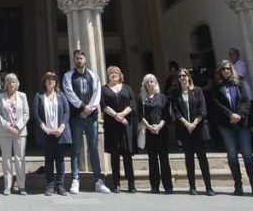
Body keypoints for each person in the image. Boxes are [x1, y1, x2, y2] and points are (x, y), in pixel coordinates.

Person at [211, 59, 253, 196]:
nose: (226, 71)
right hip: (226, 124)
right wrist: (230, 115)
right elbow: (215, 103)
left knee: (247, 153)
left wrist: (239, 115)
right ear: (219, 71)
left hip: (242, 122)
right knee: (232, 154)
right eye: (223, 69)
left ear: (231, 70)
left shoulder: (238, 83)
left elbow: (246, 100)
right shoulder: (216, 86)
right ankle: (238, 185)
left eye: (228, 68)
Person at [62, 49, 110, 194]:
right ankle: (75, 179)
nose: (79, 60)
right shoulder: (68, 76)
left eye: (81, 58)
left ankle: (98, 180)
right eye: (77, 58)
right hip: (76, 118)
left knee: (93, 148)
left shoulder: (93, 76)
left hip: (92, 118)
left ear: (85, 59)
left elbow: (97, 93)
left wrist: (89, 108)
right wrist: (82, 107)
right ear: (74, 60)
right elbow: (69, 94)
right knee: (76, 149)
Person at [170, 68, 214, 195]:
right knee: (189, 158)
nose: (182, 78)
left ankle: (208, 187)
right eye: (180, 76)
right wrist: (186, 123)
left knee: (202, 158)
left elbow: (202, 108)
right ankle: (192, 186)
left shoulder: (197, 91)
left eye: (184, 75)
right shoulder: (175, 93)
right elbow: (175, 110)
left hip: (198, 129)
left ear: (189, 77)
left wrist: (194, 123)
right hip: (185, 129)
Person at [33, 71, 71, 196]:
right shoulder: (39, 96)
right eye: (48, 79)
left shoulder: (61, 95)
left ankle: (60, 185)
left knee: (60, 160)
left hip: (60, 133)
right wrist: (43, 127)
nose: (51, 81)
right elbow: (36, 113)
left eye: (53, 80)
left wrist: (62, 127)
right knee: (49, 159)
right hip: (46, 133)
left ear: (56, 82)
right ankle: (49, 185)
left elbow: (66, 112)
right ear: (45, 82)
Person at [101, 65, 136, 193]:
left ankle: (131, 184)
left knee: (127, 155)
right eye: (111, 73)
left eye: (116, 73)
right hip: (112, 125)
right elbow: (103, 105)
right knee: (114, 156)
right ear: (108, 76)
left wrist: (122, 114)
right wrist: (116, 115)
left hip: (125, 125)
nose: (114, 75)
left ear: (120, 75)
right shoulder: (104, 89)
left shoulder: (127, 88)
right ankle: (116, 184)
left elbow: (132, 104)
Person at [0, 72, 30, 195]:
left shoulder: (23, 96)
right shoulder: (1, 97)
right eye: (9, 82)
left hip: (20, 132)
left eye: (13, 82)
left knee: (20, 159)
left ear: (17, 83)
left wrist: (17, 126)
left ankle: (21, 186)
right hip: (5, 132)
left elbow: (26, 114)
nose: (11, 84)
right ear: (6, 84)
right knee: (6, 159)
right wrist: (8, 126)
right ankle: (7, 186)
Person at [139, 73, 172, 194]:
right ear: (144, 85)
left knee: (164, 158)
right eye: (147, 82)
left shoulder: (162, 97)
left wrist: (159, 126)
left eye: (152, 81)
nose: (149, 84)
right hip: (149, 131)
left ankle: (168, 186)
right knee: (152, 159)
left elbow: (166, 114)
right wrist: (149, 126)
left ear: (156, 83)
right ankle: (154, 186)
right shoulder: (142, 99)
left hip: (162, 131)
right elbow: (140, 115)